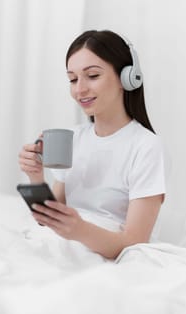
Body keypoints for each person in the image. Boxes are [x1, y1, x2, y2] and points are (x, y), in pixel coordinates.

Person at [18, 30, 166, 259]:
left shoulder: (145, 145)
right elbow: (51, 220)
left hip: (105, 258)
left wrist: (80, 230)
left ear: (126, 77)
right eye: (73, 79)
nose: (79, 89)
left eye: (93, 76)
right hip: (64, 247)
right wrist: (36, 177)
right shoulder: (75, 137)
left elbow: (135, 243)